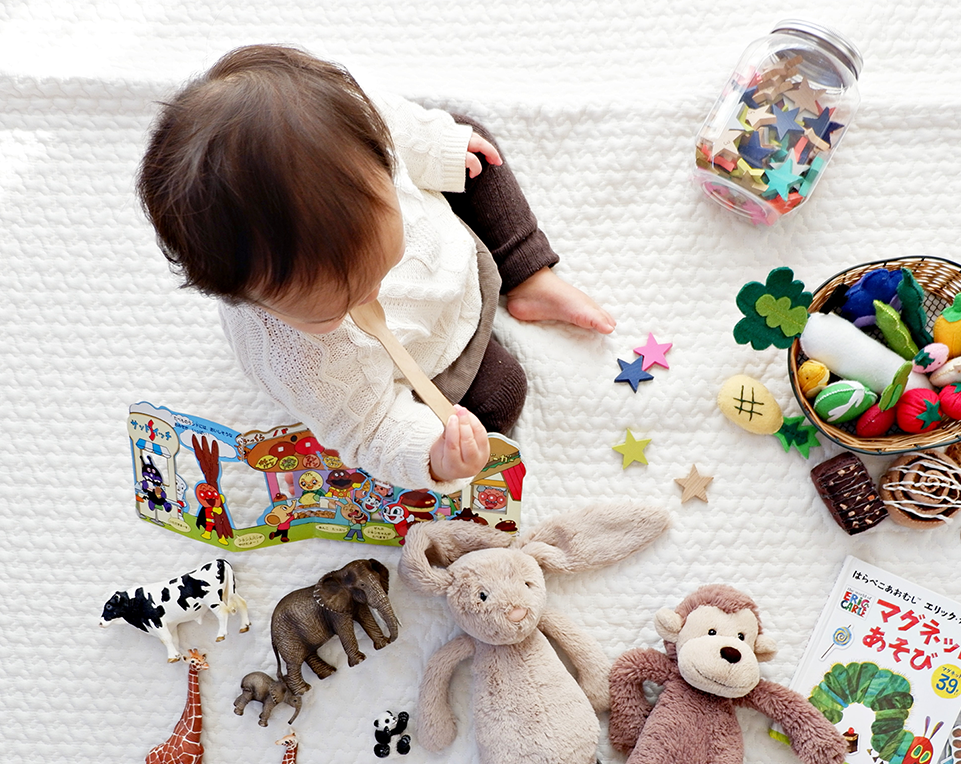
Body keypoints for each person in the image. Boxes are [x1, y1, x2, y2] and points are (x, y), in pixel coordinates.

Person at [137, 44, 614, 492]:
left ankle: (529, 275)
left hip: (452, 252)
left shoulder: (357, 125)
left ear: (378, 160)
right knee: (500, 396)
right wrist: (434, 457)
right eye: (334, 308)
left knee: (470, 148)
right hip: (427, 357)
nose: (371, 297)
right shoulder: (303, 364)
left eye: (382, 265)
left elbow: (403, 128)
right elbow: (371, 430)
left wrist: (438, 148)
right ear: (243, 297)